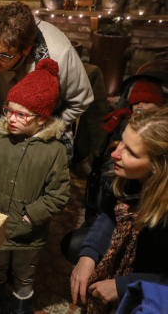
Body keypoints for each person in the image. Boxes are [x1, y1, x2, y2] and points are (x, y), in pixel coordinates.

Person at [0, 59, 71, 314]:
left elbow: (58, 194)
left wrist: (29, 217)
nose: (12, 118)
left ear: (42, 119)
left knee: (25, 274)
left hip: (29, 234)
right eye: (9, 110)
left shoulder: (54, 151)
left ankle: (20, 306)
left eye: (21, 114)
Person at [0, 2, 94, 159]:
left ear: (26, 48)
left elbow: (81, 99)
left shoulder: (59, 54)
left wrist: (44, 127)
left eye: (4, 55)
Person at [70, 108, 168, 314]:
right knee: (74, 246)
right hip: (134, 251)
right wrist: (88, 254)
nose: (115, 153)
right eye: (122, 141)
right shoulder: (116, 172)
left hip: (157, 272)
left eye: (131, 152)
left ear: (159, 167)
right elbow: (108, 214)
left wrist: (124, 285)